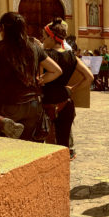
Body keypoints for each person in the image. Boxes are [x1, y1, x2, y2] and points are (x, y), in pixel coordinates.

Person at [0, 12, 62, 141]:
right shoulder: (34, 48)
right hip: (33, 106)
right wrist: (41, 80)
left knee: (5, 145)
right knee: (27, 145)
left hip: (6, 105)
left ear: (2, 28)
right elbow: (56, 70)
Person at [41, 18, 93, 154]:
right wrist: (72, 88)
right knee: (64, 146)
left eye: (44, 37)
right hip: (65, 102)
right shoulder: (71, 56)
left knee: (46, 148)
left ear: (52, 38)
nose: (43, 41)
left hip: (46, 104)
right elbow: (89, 77)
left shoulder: (44, 56)